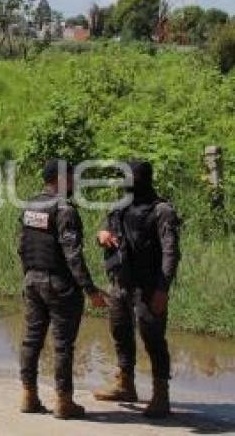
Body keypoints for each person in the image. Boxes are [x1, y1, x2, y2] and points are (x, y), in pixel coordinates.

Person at [18, 159, 107, 419]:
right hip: (59, 285)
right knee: (62, 345)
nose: (75, 182)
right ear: (59, 179)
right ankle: (64, 402)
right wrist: (90, 290)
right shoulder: (64, 210)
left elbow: (22, 245)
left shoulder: (30, 205)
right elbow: (73, 256)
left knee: (31, 340)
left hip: (32, 280)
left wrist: (29, 275)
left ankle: (28, 395)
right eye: (71, 177)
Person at [94, 160, 181, 418]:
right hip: (121, 281)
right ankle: (125, 384)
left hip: (149, 284)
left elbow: (170, 252)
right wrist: (102, 236)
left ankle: (161, 393)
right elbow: (105, 231)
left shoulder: (162, 211)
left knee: (152, 336)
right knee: (119, 330)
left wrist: (162, 290)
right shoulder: (121, 206)